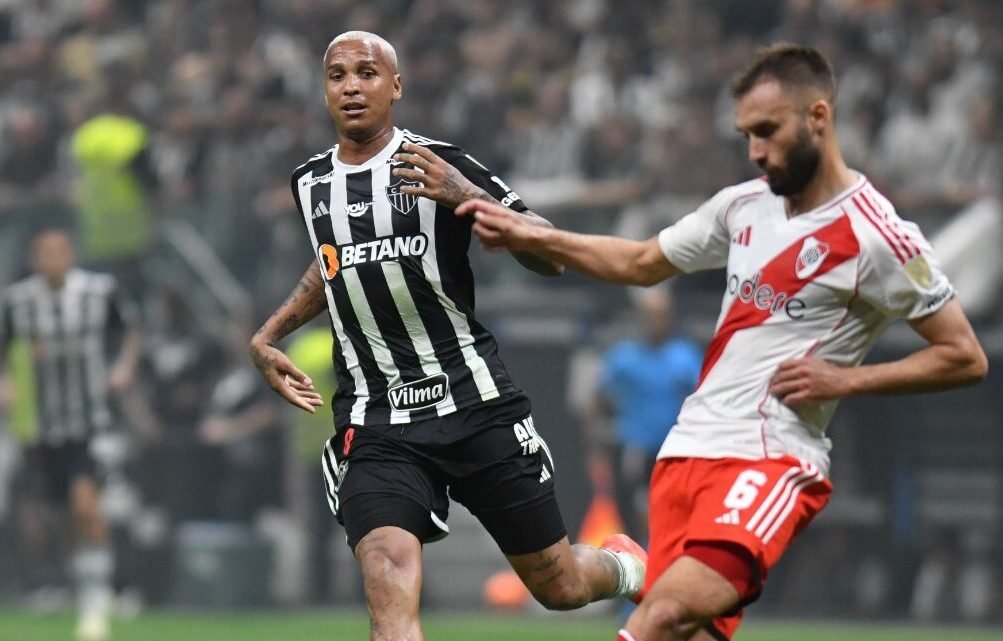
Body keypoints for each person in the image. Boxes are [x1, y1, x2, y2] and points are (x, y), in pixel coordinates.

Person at [457, 43, 988, 641]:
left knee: (660, 617)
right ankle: (638, 567)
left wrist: (846, 380)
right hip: (685, 454)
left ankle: (635, 574)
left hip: (771, 456)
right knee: (693, 630)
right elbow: (639, 261)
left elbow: (964, 355)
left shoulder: (878, 235)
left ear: (818, 117)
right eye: (746, 136)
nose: (757, 151)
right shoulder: (742, 207)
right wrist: (533, 234)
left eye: (768, 130)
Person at [248, 31, 646, 640]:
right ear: (324, 89)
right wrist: (269, 333)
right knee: (386, 577)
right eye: (337, 75)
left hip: (473, 401)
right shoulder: (309, 184)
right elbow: (336, 263)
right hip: (375, 419)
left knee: (558, 583)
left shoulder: (441, 163)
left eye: (367, 73)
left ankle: (623, 568)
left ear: (396, 86)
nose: (352, 86)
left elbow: (550, 254)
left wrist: (470, 198)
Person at [0, 228, 142, 641]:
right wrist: (7, 382)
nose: (52, 259)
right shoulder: (18, 302)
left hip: (90, 421)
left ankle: (96, 602)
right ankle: (82, 582)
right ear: (34, 257)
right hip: (40, 426)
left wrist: (124, 367)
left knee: (86, 506)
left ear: (71, 254)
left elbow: (132, 327)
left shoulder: (98, 292)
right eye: (44, 252)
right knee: (56, 517)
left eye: (59, 251)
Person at [585, 287, 701, 543]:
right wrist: (596, 447)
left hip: (672, 450)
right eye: (649, 315)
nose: (654, 321)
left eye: (660, 315)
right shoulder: (623, 357)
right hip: (635, 448)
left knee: (670, 510)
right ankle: (640, 562)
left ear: (669, 317)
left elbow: (701, 399)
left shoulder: (684, 356)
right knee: (635, 508)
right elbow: (598, 397)